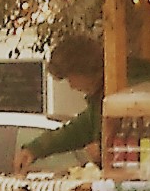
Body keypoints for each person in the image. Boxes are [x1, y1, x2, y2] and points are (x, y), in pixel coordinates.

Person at [15, 31, 106, 174]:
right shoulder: (98, 101)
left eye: (70, 78)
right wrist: (34, 149)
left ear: (82, 69)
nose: (71, 86)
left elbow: (134, 134)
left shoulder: (124, 89)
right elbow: (75, 131)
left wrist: (106, 150)